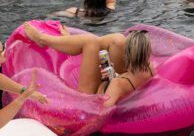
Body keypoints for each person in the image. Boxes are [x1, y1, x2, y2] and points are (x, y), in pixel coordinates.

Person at [22, 24, 153, 107]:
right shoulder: (150, 68)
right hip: (119, 80)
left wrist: (105, 84)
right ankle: (68, 41)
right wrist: (111, 76)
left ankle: (43, 39)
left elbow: (101, 109)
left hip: (86, 100)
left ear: (127, 55)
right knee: (118, 40)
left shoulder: (118, 84)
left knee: (89, 42)